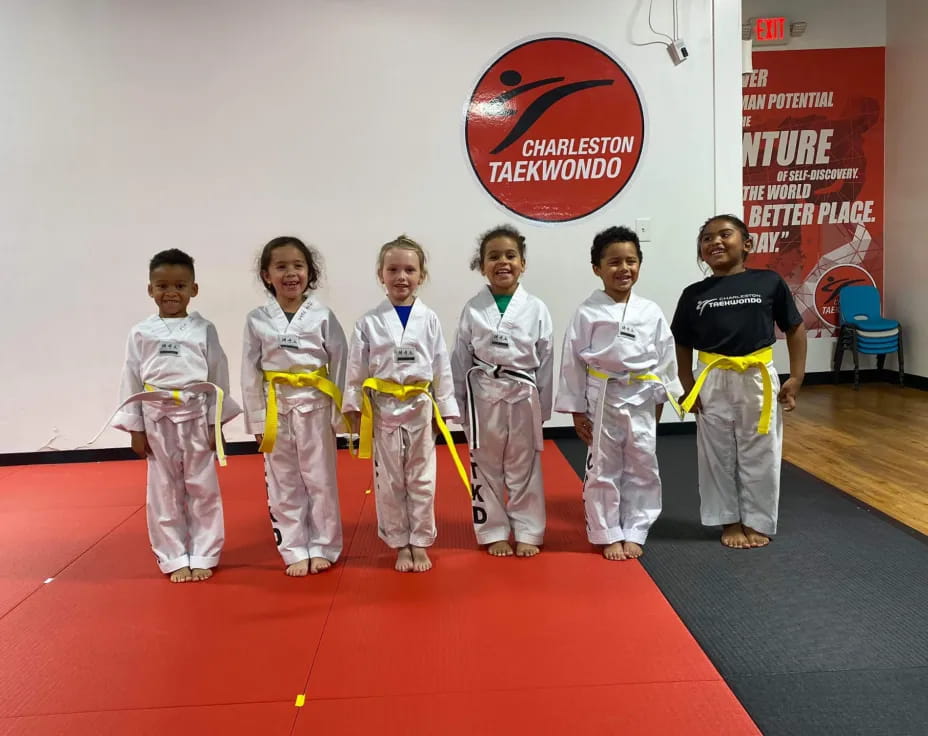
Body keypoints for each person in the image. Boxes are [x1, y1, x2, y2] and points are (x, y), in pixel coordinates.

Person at [671, 214, 807, 549]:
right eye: (706, 238)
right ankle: (728, 521)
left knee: (761, 450)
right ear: (701, 253)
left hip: (757, 377)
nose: (714, 241)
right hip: (712, 378)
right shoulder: (694, 294)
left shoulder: (768, 282)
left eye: (724, 234)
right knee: (715, 453)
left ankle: (757, 520)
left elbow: (794, 328)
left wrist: (797, 376)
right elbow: (681, 341)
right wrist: (687, 383)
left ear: (747, 244)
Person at [112, 249, 241, 582]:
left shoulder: (204, 329)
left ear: (193, 290)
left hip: (196, 415)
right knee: (164, 490)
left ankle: (205, 552)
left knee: (203, 486)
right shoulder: (141, 332)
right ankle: (171, 556)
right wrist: (135, 429)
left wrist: (217, 423)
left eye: (180, 285)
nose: (171, 292)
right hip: (156, 418)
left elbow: (218, 375)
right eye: (162, 285)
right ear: (150, 289)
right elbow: (130, 378)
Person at [556, 227, 681, 560]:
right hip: (603, 395)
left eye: (631, 261)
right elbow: (572, 361)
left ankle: (637, 528)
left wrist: (662, 397)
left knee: (643, 462)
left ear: (640, 264)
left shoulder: (650, 311)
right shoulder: (587, 311)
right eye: (613, 262)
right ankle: (607, 530)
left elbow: (665, 357)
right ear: (597, 268)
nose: (623, 269)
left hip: (641, 393)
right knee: (603, 466)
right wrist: (576, 410)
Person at [343, 236, 463, 573]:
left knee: (422, 478)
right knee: (390, 480)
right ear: (380, 274)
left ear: (421, 275)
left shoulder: (430, 319)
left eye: (409, 269)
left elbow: (441, 364)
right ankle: (399, 542)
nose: (401, 277)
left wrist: (447, 407)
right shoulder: (368, 322)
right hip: (382, 407)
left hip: (421, 406)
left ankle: (420, 541)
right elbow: (356, 367)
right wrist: (352, 406)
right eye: (393, 269)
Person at [242, 236, 347, 576]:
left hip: (316, 405)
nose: (291, 273)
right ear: (266, 275)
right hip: (276, 407)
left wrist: (341, 413)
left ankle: (324, 545)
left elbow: (341, 361)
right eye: (281, 266)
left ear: (310, 272)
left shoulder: (322, 315)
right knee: (283, 480)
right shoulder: (257, 319)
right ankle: (293, 546)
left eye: (298, 266)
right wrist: (257, 419)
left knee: (321, 478)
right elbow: (249, 370)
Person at [451, 225, 553, 557]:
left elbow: (547, 359)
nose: (503, 262)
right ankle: (493, 529)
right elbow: (460, 357)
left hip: (524, 394)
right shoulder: (473, 308)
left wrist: (544, 406)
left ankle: (528, 529)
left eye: (510, 255)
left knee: (525, 465)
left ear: (523, 263)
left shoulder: (536, 307)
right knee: (485, 463)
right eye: (493, 257)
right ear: (482, 266)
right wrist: (460, 406)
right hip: (483, 393)